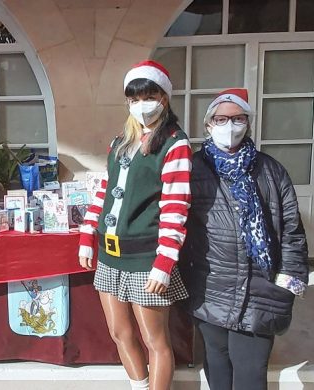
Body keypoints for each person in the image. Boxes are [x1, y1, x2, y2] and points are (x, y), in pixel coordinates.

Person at [179, 88, 309, 390]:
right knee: (218, 367)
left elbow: (292, 231)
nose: (230, 126)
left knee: (250, 373)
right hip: (209, 288)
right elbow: (176, 223)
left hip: (260, 289)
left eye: (237, 119)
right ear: (209, 124)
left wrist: (286, 283)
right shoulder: (192, 169)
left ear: (247, 124)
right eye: (222, 119)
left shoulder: (271, 169)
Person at [78, 60, 192, 390]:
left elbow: (176, 206)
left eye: (149, 96)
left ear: (164, 98)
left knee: (154, 340)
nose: (142, 105)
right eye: (134, 99)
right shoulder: (121, 141)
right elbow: (105, 190)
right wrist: (88, 234)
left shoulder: (175, 143)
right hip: (111, 254)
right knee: (119, 332)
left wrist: (164, 263)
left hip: (146, 257)